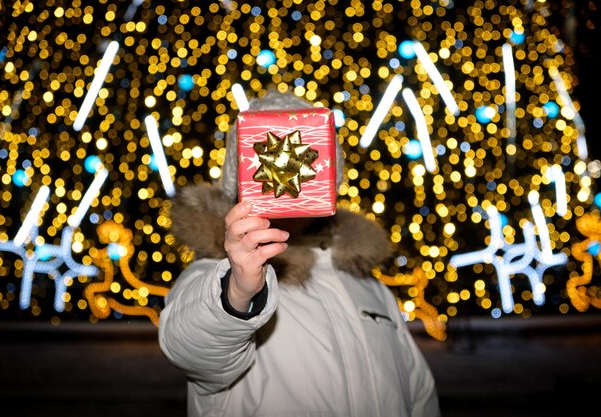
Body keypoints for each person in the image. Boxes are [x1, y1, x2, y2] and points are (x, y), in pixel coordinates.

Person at [158, 90, 441, 417]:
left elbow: (419, 393)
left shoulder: (367, 286)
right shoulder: (213, 275)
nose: (285, 184)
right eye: (270, 169)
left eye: (300, 170)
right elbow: (190, 347)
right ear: (243, 181)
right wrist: (237, 292)